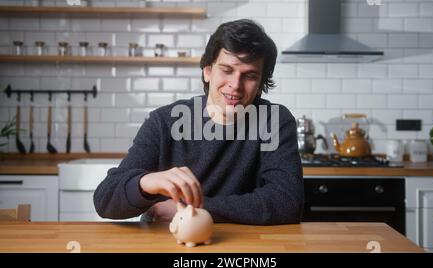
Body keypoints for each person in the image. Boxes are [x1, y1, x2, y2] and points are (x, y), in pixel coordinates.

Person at [94, 19, 304, 225]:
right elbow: (105, 200)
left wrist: (196, 210)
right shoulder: (164, 122)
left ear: (260, 85)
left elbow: (286, 202)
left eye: (249, 76)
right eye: (227, 70)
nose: (235, 85)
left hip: (243, 246)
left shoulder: (273, 120)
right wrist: (146, 182)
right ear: (208, 71)